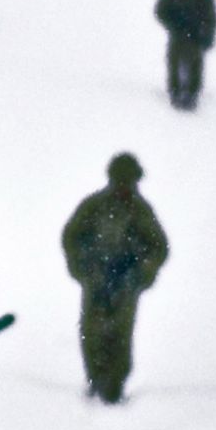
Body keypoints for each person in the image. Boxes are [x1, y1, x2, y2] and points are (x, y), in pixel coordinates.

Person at [61, 153, 169, 404]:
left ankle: (115, 383)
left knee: (120, 331)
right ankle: (95, 378)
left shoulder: (141, 211)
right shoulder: (94, 206)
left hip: (125, 280)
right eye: (120, 181)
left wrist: (141, 272)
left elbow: (159, 247)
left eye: (128, 182)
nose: (123, 187)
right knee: (92, 330)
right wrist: (83, 268)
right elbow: (71, 237)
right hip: (96, 277)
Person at [154, 0, 216, 109]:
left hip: (195, 34)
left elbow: (210, 15)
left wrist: (207, 34)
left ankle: (191, 94)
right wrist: (174, 25)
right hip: (178, 34)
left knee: (194, 63)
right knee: (175, 62)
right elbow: (160, 11)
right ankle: (176, 92)